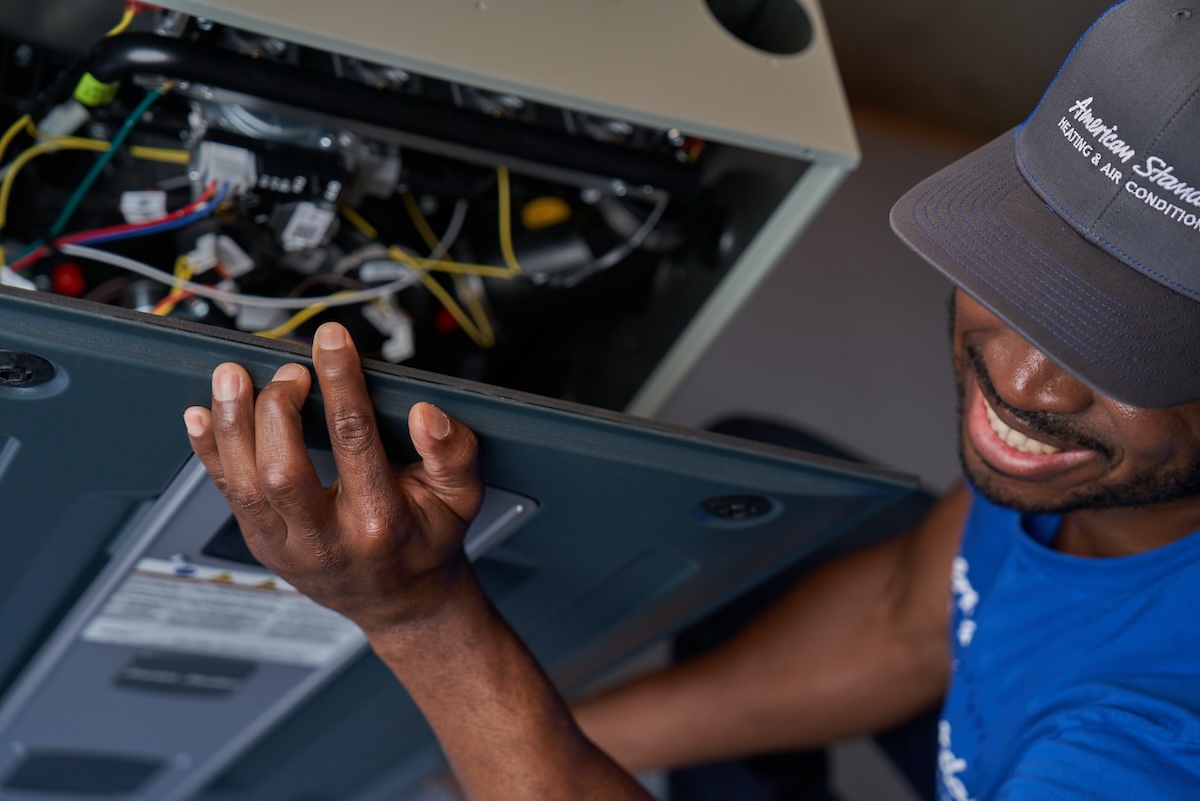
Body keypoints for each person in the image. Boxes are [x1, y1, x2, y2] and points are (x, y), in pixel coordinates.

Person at [181, 1, 1200, 798]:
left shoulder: (1145, 749)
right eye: (1028, 274)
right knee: (772, 526)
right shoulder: (1100, 477)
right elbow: (906, 621)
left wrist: (418, 621)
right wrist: (522, 754)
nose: (1023, 383)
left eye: (1122, 347)